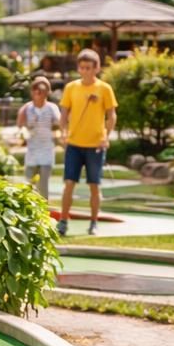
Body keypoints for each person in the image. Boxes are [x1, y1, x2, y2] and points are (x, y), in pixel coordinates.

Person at [57, 49, 118, 237]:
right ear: (78, 68)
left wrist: (106, 137)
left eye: (89, 68)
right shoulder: (71, 88)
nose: (85, 71)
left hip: (95, 146)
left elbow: (111, 115)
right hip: (74, 144)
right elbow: (64, 114)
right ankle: (63, 222)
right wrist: (63, 133)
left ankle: (93, 223)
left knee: (94, 186)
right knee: (69, 183)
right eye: (82, 68)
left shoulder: (104, 89)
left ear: (96, 68)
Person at [17, 76, 59, 198]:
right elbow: (20, 126)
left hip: (47, 151)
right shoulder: (27, 108)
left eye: (42, 90)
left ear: (47, 92)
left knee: (43, 186)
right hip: (32, 152)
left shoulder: (52, 108)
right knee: (28, 185)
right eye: (35, 89)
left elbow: (59, 123)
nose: (38, 92)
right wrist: (25, 130)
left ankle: (44, 208)